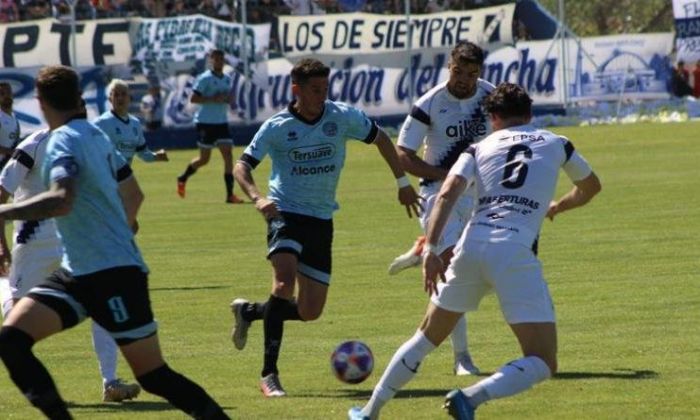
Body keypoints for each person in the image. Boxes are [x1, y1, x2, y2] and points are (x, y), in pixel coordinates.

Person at [349, 83, 601, 420]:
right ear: (529, 114)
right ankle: (470, 397)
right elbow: (591, 187)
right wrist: (558, 206)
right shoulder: (557, 142)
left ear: (493, 117)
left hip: (471, 245)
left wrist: (432, 249)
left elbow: (447, 192)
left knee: (424, 338)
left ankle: (369, 412)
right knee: (542, 360)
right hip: (514, 251)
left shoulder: (478, 147)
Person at [0, 65, 229, 419]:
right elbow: (134, 194)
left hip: (111, 274)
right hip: (80, 272)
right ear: (79, 97)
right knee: (12, 339)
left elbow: (62, 198)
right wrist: (120, 229)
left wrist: (4, 213)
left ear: (41, 102)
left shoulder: (61, 140)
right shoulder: (96, 136)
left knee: (154, 376)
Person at [230, 58, 422, 398]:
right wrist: (258, 198)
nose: (322, 95)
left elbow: (381, 139)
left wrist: (402, 181)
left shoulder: (342, 116)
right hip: (284, 213)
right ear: (296, 90)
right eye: (315, 90)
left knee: (310, 311)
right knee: (283, 283)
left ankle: (250, 312)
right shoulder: (276, 127)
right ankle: (269, 374)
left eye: (325, 88)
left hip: (321, 220)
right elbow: (241, 167)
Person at [0, 120, 142, 402]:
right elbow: (2, 192)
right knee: (16, 316)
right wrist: (1, 245)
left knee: (102, 304)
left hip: (77, 243)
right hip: (33, 246)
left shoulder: (88, 142)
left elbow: (108, 189)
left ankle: (110, 381)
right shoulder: (32, 145)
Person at [387, 41, 495, 376]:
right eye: (459, 72)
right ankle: (462, 358)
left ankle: (424, 249)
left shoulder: (490, 97)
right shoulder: (430, 103)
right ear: (450, 67)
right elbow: (403, 154)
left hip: (480, 196)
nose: (464, 79)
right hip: (438, 195)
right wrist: (445, 176)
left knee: (485, 271)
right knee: (454, 271)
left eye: (472, 74)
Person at [176, 48, 244, 204]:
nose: (219, 61)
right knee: (204, 159)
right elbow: (193, 99)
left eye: (221, 59)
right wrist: (213, 98)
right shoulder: (205, 78)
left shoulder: (227, 78)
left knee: (228, 155)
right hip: (205, 122)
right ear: (211, 60)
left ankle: (230, 195)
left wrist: (229, 99)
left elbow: (229, 97)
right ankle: (183, 177)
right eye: (216, 59)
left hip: (221, 122)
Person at [94, 79, 169, 165]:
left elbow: (143, 153)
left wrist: (156, 156)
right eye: (116, 95)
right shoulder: (101, 123)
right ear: (110, 99)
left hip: (125, 177)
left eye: (123, 94)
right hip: (106, 177)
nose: (120, 98)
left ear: (130, 98)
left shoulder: (135, 123)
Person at [0, 82, 20, 168]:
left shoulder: (14, 117)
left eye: (8, 92)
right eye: (1, 93)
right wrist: (11, 152)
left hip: (8, 169)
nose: (6, 96)